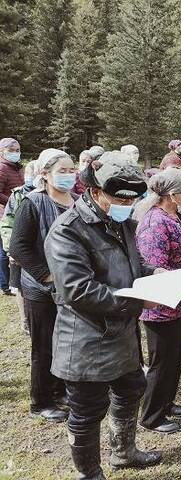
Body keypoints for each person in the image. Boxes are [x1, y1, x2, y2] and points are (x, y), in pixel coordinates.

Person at [44, 151, 163, 479]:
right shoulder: (67, 230)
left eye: (132, 199)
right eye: (118, 198)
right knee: (87, 411)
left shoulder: (119, 222)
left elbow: (132, 266)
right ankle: (89, 473)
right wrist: (140, 303)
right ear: (94, 192)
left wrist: (156, 275)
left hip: (121, 333)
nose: (126, 205)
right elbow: (77, 291)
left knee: (131, 388)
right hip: (85, 338)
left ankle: (123, 452)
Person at [133, 169, 181, 434]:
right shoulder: (155, 222)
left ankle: (167, 402)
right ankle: (152, 415)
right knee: (161, 363)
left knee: (175, 358)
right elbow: (158, 271)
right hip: (162, 306)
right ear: (173, 195)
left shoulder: (176, 215)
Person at [10, 149, 77, 422]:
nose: (69, 175)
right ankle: (40, 401)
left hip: (69, 286)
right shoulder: (33, 203)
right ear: (45, 175)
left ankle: (59, 390)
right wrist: (46, 275)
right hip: (41, 288)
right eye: (62, 171)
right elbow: (19, 247)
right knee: (44, 345)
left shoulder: (77, 201)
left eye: (71, 170)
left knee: (64, 342)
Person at [1, 160, 38, 334]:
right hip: (20, 251)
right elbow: (7, 224)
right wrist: (10, 250)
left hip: (39, 251)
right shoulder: (18, 195)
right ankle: (25, 322)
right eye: (29, 173)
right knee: (20, 288)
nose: (33, 177)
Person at [0, 137, 24, 295]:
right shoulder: (2, 168)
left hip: (17, 212)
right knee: (3, 250)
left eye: (17, 150)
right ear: (2, 152)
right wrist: (13, 201)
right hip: (5, 214)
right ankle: (4, 284)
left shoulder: (15, 167)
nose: (15, 153)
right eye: (11, 150)